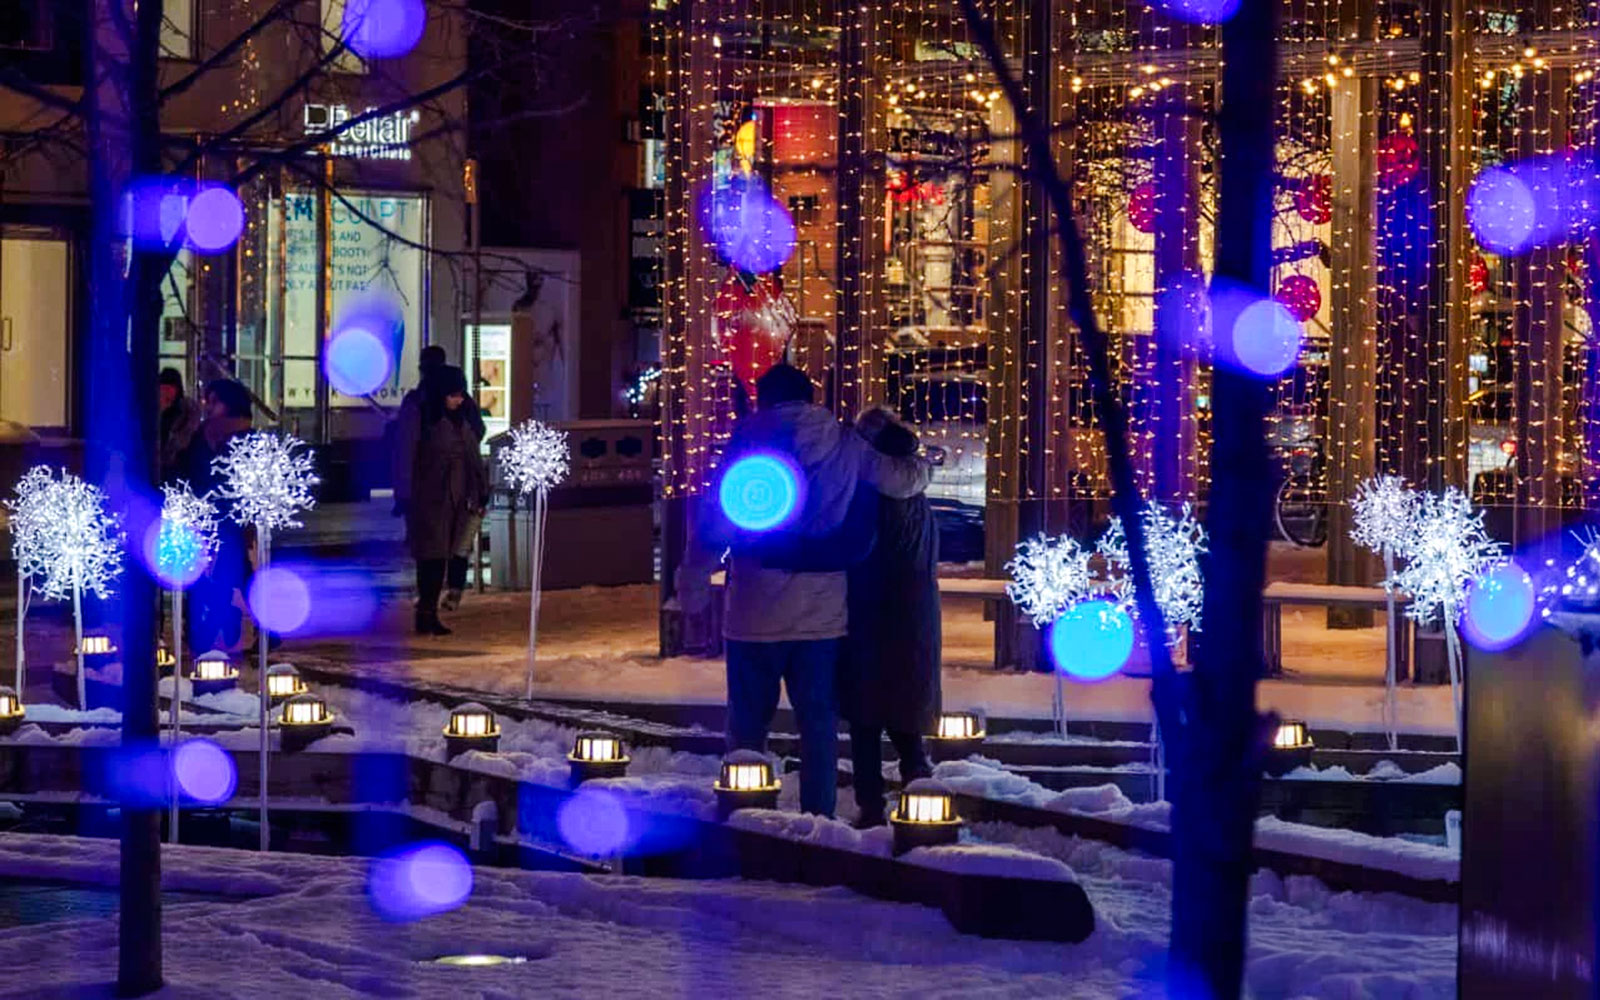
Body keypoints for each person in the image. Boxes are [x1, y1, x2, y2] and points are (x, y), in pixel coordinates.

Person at [677, 364, 931, 818]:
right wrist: (922, 464)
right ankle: (819, 818)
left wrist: (693, 585)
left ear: (763, 398)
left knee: (748, 723)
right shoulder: (845, 441)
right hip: (821, 614)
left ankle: (744, 812)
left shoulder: (746, 441)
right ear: (810, 396)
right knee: (818, 725)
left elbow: (714, 524)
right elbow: (899, 480)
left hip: (752, 611)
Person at [838, 410, 940, 826]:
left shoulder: (868, 496)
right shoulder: (917, 491)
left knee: (865, 714)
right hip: (914, 614)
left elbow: (853, 550)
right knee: (904, 706)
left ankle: (871, 805)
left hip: (869, 612)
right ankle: (918, 783)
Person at [393, 365, 488, 636]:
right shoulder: (422, 415)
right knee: (431, 558)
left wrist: (481, 489)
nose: (458, 400)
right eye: (453, 395)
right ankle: (426, 613)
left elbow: (473, 454)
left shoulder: (462, 418)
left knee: (445, 556)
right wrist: (405, 494)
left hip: (458, 497)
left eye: (461, 395)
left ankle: (429, 613)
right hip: (430, 497)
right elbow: (406, 456)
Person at [182, 378, 254, 653]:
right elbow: (191, 467)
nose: (209, 405)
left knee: (226, 571)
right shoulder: (204, 432)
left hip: (228, 516)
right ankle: (218, 625)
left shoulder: (238, 436)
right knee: (226, 571)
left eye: (214, 400)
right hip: (204, 512)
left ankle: (210, 628)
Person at [158, 368, 202, 484]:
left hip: (179, 468)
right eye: (164, 388)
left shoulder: (187, 412)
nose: (167, 392)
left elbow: (185, 439)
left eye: (170, 388)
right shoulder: (152, 412)